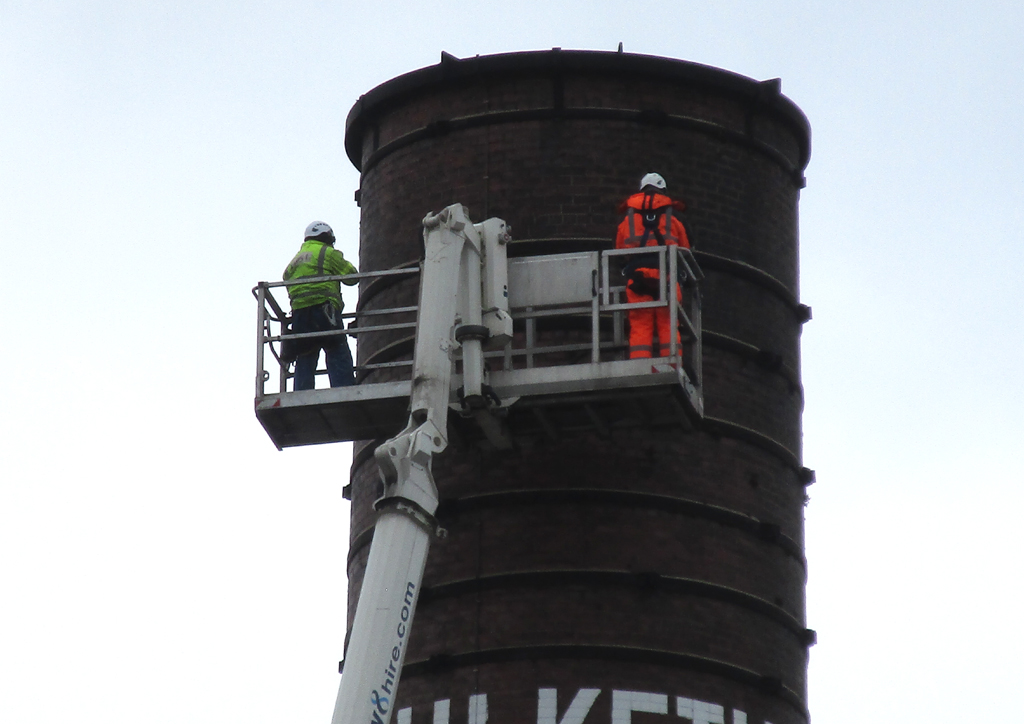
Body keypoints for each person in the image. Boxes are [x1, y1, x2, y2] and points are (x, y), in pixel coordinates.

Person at [615, 172, 692, 359]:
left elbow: (618, 249)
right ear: (663, 191)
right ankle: (672, 362)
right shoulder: (675, 218)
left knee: (640, 324)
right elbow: (686, 250)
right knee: (669, 324)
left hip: (637, 278)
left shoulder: (627, 220)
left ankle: (639, 364)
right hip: (668, 277)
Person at [283, 221, 358, 390]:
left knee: (305, 353)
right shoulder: (327, 253)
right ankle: (344, 388)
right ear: (327, 236)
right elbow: (352, 277)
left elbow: (287, 280)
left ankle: (301, 391)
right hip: (324, 310)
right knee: (336, 347)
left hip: (300, 314)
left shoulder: (294, 262)